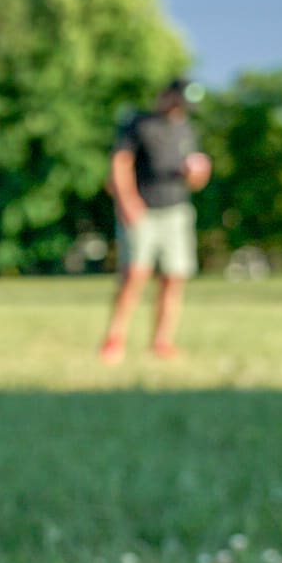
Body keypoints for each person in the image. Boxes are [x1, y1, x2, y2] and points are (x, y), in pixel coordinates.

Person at [98, 78, 211, 364]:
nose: (181, 108)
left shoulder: (186, 129)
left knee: (174, 277)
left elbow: (196, 179)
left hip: (177, 211)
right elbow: (120, 162)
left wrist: (197, 174)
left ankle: (162, 342)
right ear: (168, 94)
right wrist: (127, 201)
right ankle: (114, 340)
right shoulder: (140, 124)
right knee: (135, 274)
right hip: (143, 209)